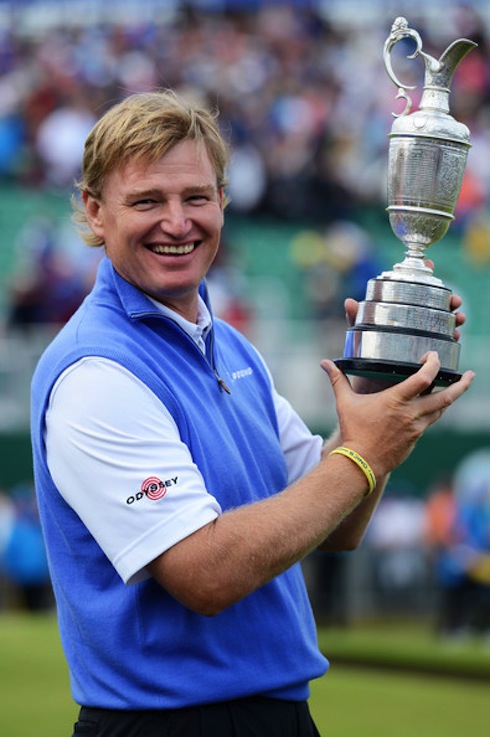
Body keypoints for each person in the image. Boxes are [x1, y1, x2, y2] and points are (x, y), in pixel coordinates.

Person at [30, 90, 474, 737]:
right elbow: (204, 574)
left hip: (275, 714)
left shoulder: (230, 345)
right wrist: (365, 451)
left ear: (223, 201)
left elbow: (336, 521)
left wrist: (390, 404)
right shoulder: (94, 371)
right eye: (148, 200)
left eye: (196, 197)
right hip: (168, 724)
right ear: (96, 212)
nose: (178, 222)